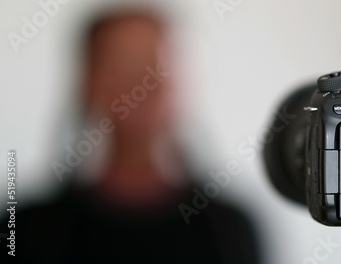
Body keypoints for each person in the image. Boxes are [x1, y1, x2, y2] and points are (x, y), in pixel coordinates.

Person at [0, 10, 260, 264]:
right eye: (121, 63)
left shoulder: (228, 231)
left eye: (156, 63)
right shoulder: (26, 229)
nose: (140, 83)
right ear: (87, 83)